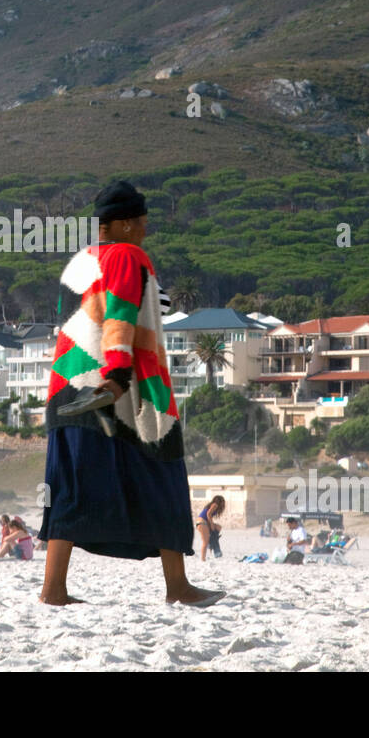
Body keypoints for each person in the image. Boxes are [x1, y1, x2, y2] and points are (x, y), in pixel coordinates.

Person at [37, 180, 224, 608]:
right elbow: (119, 312)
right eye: (140, 222)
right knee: (163, 478)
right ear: (120, 224)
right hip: (115, 390)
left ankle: (54, 589)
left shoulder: (84, 261)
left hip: (69, 388)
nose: (145, 229)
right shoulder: (126, 254)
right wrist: (118, 375)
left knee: (72, 487)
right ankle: (177, 586)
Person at [196, 495, 226, 561]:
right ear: (219, 501)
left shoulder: (214, 505)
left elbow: (208, 515)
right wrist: (211, 525)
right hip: (202, 523)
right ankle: (203, 559)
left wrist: (212, 525)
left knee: (218, 527)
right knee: (205, 542)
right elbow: (208, 514)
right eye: (223, 501)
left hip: (204, 523)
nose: (223, 503)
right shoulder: (215, 504)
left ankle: (212, 542)